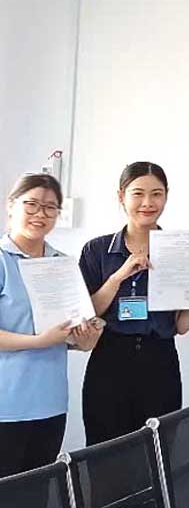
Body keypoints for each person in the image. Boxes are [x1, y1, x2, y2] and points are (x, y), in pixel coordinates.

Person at [79, 162, 189, 444]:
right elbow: (87, 313)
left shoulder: (182, 250)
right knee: (104, 452)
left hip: (160, 361)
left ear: (166, 196)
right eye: (138, 193)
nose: (147, 203)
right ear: (121, 196)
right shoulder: (97, 250)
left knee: (159, 452)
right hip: (109, 360)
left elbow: (182, 325)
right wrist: (119, 276)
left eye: (156, 194)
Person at [0, 174, 102, 477]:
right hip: (6, 404)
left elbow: (71, 336)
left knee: (39, 495)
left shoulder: (62, 263)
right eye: (31, 204)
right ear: (11, 206)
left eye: (49, 207)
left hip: (50, 402)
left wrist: (85, 340)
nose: (40, 214)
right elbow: (45, 336)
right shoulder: (3, 260)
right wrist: (40, 340)